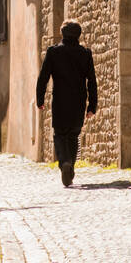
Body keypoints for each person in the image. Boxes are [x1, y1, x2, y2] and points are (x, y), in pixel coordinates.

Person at [36, 19, 97, 187]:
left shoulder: (53, 52)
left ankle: (64, 163)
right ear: (78, 35)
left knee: (60, 135)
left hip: (60, 101)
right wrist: (92, 106)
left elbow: (43, 78)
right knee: (73, 135)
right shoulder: (85, 54)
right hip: (78, 101)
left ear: (62, 33)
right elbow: (91, 81)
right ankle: (70, 166)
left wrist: (40, 99)